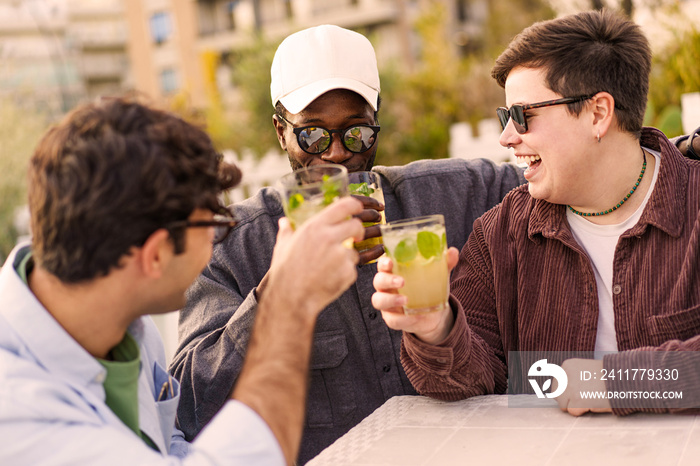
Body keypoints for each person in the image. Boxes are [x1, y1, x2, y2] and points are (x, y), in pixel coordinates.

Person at [169, 24, 526, 463]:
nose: (337, 152)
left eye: (356, 132)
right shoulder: (232, 246)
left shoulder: (449, 194)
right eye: (313, 134)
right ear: (281, 131)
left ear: (376, 126)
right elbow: (188, 407)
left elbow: (555, 177)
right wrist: (280, 291)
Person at [0, 96, 364, 464]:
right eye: (214, 226)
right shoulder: (19, 412)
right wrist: (291, 302)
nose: (218, 241)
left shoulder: (122, 326)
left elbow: (167, 442)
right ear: (156, 254)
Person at [373, 9, 700, 417]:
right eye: (505, 116)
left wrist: (619, 383)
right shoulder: (502, 232)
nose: (507, 137)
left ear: (598, 113)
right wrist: (436, 327)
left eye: (522, 115)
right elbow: (470, 381)